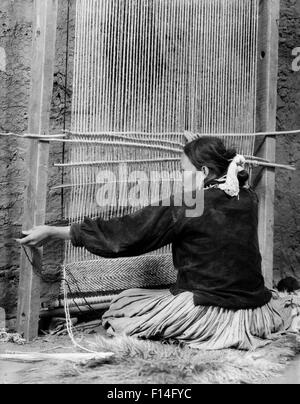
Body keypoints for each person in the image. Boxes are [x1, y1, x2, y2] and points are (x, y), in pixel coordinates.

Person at [18, 137, 294, 350]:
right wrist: (197, 147)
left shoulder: (189, 204)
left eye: (184, 170)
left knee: (123, 305)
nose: (180, 177)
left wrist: (55, 232)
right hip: (255, 308)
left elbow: (124, 236)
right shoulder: (246, 197)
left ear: (204, 171)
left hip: (208, 310)